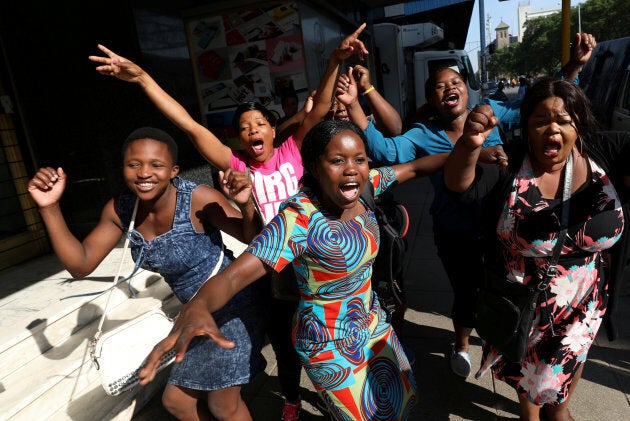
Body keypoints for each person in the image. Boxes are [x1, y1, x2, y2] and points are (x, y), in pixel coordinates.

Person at [89, 24, 370, 421]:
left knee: (322, 339)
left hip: (312, 265)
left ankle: (331, 392)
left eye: (259, 124)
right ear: (238, 140)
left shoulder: (293, 150)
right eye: (243, 127)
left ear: (274, 130)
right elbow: (188, 124)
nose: (252, 130)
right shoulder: (235, 166)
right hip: (268, 270)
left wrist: (334, 61)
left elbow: (320, 109)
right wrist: (143, 80)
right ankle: (290, 398)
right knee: (283, 344)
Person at [138, 119, 450, 420]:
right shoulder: (299, 218)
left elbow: (414, 167)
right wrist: (199, 305)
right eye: (337, 161)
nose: (352, 169)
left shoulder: (365, 186)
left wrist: (469, 150)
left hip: (372, 324)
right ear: (315, 167)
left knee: (398, 402)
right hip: (328, 342)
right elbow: (234, 277)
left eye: (360, 159)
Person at [337, 32, 597, 379]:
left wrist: (574, 66)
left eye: (455, 82)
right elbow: (385, 152)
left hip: (503, 228)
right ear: (431, 99)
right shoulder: (420, 134)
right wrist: (356, 103)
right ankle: (460, 344)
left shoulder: (489, 114)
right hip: (455, 231)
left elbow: (538, 104)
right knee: (465, 290)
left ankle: (504, 339)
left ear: (467, 89)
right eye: (440, 86)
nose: (449, 88)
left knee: (503, 288)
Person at [27, 127, 266, 420]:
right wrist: (49, 208)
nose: (144, 173)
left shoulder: (197, 198)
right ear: (123, 168)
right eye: (134, 164)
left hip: (232, 304)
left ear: (173, 170)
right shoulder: (120, 210)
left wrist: (245, 204)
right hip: (192, 312)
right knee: (178, 402)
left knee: (222, 405)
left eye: (156, 165)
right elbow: (81, 264)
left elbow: (251, 237)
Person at [443, 77, 630, 421]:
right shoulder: (508, 162)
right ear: (526, 125)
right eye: (541, 121)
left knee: (567, 381)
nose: (552, 129)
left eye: (563, 120)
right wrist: (469, 144)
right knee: (532, 385)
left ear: (579, 123)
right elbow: (459, 184)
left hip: (586, 302)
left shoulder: (606, 153)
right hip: (526, 305)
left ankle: (559, 412)